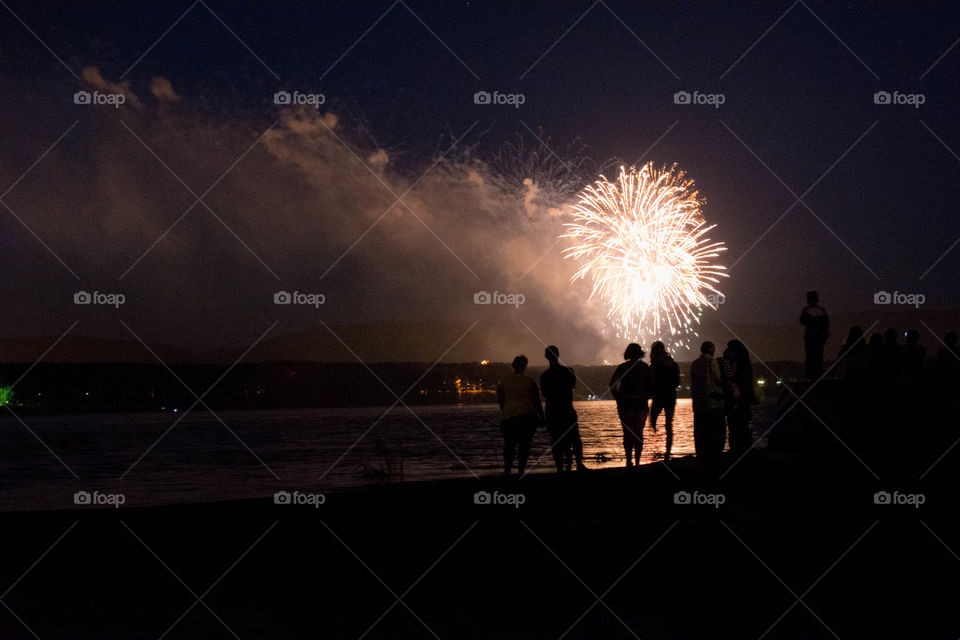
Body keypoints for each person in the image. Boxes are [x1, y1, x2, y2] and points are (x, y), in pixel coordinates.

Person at [540, 345, 586, 472]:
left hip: (552, 411)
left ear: (546, 357)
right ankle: (578, 464)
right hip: (567, 409)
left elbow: (544, 394)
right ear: (558, 355)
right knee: (575, 437)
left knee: (556, 439)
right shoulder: (568, 371)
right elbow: (572, 386)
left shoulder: (544, 376)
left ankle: (560, 466)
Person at [495, 355, 544, 474]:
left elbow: (500, 399)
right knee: (524, 446)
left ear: (513, 365)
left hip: (508, 417)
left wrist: (506, 410)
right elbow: (536, 401)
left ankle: (507, 471)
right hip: (527, 417)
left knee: (509, 446)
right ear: (525, 366)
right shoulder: (529, 381)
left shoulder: (504, 381)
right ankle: (521, 471)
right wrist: (541, 416)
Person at [610, 343, 650, 467]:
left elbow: (612, 384)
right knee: (638, 433)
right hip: (641, 403)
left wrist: (618, 398)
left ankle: (628, 460)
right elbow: (651, 385)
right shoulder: (645, 367)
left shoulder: (622, 367)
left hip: (626, 403)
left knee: (627, 433)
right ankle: (638, 461)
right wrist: (646, 396)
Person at [689, 341, 726, 464]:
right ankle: (714, 454)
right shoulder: (712, 361)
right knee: (714, 430)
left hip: (698, 404)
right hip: (713, 403)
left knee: (700, 431)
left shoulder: (694, 364)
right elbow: (717, 379)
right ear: (711, 350)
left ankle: (702, 453)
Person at [720, 340, 756, 455]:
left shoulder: (735, 366)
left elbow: (729, 378)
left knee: (735, 425)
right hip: (742, 400)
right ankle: (744, 449)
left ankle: (737, 449)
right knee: (742, 425)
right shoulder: (745, 366)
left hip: (736, 400)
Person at [649, 341, 680, 460]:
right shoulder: (673, 363)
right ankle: (668, 451)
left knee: (652, 420)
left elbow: (652, 380)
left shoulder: (655, 364)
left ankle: (655, 448)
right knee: (669, 424)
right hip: (671, 396)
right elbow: (677, 382)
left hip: (658, 396)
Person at [800, 291, 829, 380]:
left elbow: (802, 321)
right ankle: (819, 374)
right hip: (820, 339)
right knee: (819, 356)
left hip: (810, 338)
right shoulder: (822, 311)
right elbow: (826, 324)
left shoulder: (806, 311)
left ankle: (811, 375)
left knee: (810, 357)